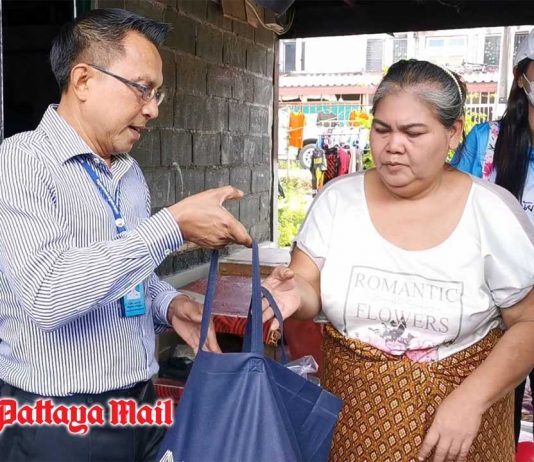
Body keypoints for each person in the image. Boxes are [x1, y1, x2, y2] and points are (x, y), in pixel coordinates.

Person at [0, 8, 252, 462]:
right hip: (59, 419)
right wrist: (171, 226)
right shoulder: (22, 162)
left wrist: (167, 303)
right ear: (83, 80)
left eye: (157, 93)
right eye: (142, 88)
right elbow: (47, 294)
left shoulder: (129, 173)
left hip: (139, 404)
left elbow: (127, 271)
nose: (153, 109)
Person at [262, 59, 534, 462]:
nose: (393, 146)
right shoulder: (337, 201)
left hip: (460, 437)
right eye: (382, 129)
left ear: (453, 132)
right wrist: (292, 294)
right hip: (351, 428)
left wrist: (472, 400)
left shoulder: (491, 212)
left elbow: (528, 323)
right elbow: (307, 283)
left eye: (413, 132)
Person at [453, 29, 534, 445]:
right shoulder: (487, 142)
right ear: (523, 77)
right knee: (499, 415)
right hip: (500, 311)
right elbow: (452, 213)